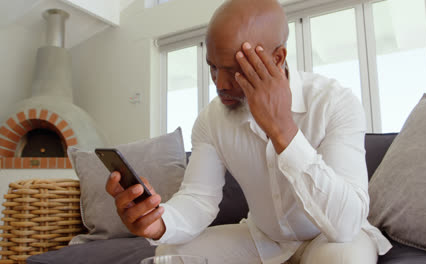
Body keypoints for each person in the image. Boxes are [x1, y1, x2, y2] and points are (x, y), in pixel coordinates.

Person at [106, 0, 392, 263]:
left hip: (331, 239)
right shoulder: (211, 120)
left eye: (233, 69)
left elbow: (346, 225)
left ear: (278, 58)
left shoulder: (334, 102)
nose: (220, 84)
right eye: (213, 67)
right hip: (262, 240)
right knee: (170, 253)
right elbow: (198, 199)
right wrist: (159, 223)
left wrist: (283, 130)